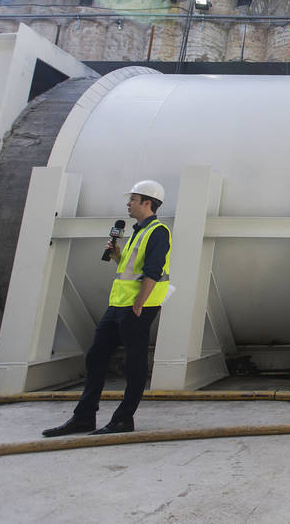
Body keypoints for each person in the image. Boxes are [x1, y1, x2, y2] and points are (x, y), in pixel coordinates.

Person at [43, 180, 172, 437]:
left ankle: (124, 419)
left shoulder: (158, 231)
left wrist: (138, 304)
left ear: (147, 202)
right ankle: (84, 417)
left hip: (137, 308)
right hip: (117, 305)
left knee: (133, 365)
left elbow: (153, 272)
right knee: (96, 356)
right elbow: (130, 269)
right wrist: (116, 255)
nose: (128, 204)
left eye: (133, 199)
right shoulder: (137, 230)